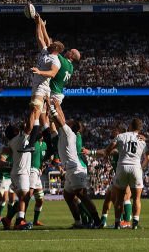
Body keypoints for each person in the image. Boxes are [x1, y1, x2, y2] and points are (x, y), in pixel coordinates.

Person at [48, 97, 100, 228]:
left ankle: (98, 221)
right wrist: (57, 104)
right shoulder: (66, 134)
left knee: (82, 195)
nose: (67, 122)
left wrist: (50, 106)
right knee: (68, 196)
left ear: (71, 126)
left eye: (69, 122)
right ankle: (78, 222)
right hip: (71, 169)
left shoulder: (69, 133)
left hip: (75, 169)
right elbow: (61, 118)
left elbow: (59, 119)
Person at [97, 118, 148, 229]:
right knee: (137, 198)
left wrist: (98, 153)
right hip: (136, 168)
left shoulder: (121, 136)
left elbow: (107, 151)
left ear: (129, 126)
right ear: (139, 128)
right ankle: (134, 223)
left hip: (122, 167)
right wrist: (141, 168)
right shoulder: (143, 140)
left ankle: (117, 223)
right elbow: (147, 158)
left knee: (119, 198)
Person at [2, 116, 38, 230]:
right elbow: (30, 127)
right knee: (24, 197)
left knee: (23, 198)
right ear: (15, 132)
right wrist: (33, 113)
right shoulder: (19, 139)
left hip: (17, 172)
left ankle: (8, 219)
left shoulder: (13, 141)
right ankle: (19, 221)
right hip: (21, 172)